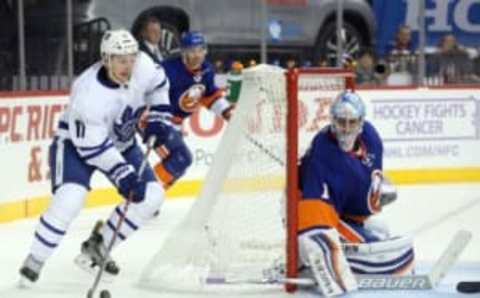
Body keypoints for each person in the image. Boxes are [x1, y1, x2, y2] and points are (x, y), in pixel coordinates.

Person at [18, 29, 171, 284]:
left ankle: (98, 246)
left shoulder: (143, 65)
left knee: (153, 196)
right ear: (106, 59)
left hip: (121, 143)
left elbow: (159, 87)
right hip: (76, 147)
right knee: (70, 199)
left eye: (131, 58)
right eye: (121, 59)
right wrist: (123, 174)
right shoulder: (87, 94)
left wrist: (159, 116)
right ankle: (35, 260)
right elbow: (94, 148)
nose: (128, 65)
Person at [297, 91, 414, 296]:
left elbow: (366, 180)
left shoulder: (371, 138)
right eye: (342, 122)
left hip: (340, 209)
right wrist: (331, 275)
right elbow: (314, 219)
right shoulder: (322, 155)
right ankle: (302, 262)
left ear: (361, 121)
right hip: (306, 206)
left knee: (381, 229)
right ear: (332, 120)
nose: (347, 128)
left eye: (352, 122)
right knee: (369, 249)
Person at [151, 31, 234, 188]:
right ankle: (145, 195)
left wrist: (226, 112)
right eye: (191, 51)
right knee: (181, 158)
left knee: (178, 167)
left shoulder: (206, 70)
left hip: (174, 124)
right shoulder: (167, 70)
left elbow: (210, 96)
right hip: (157, 122)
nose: (196, 55)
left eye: (200, 50)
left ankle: (151, 197)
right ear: (183, 52)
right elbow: (146, 92)